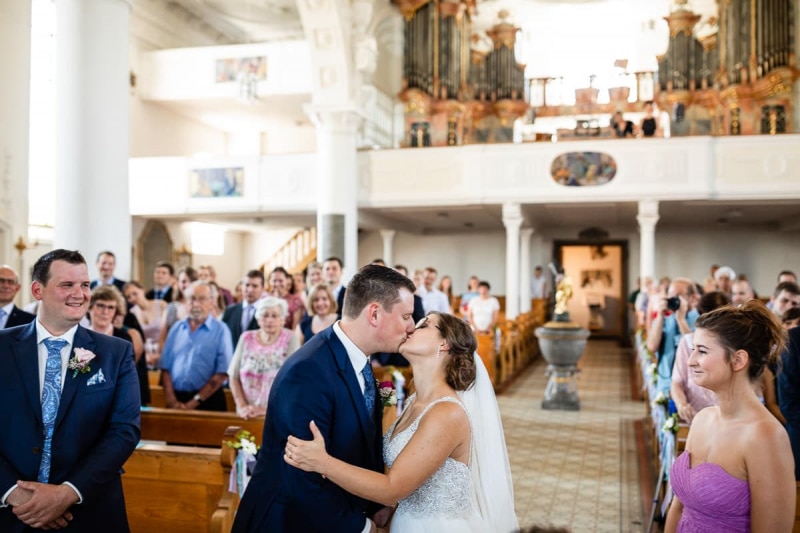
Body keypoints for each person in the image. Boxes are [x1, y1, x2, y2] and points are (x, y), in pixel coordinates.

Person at [284, 312, 518, 532]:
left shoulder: (448, 413)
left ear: (444, 344)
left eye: (424, 325)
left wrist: (322, 463)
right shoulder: (414, 400)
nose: (410, 328)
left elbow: (392, 488)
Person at [232, 265, 417, 532]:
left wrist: (375, 506)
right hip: (288, 523)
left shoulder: (357, 357)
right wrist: (362, 527)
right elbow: (300, 477)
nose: (411, 327)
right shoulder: (308, 371)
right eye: (407, 316)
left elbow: (360, 446)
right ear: (374, 313)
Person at [0, 249, 140, 531]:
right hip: (11, 514)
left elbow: (124, 430)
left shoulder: (116, 353)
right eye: (67, 285)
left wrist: (67, 493)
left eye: (85, 285)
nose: (80, 294)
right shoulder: (2, 347)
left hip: (88, 511)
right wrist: (14, 495)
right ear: (38, 290)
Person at [665, 301, 794, 532]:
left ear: (738, 360)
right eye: (693, 349)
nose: (690, 360)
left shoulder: (766, 436)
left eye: (702, 351)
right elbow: (678, 507)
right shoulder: (703, 419)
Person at [160, 281, 233, 412]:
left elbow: (222, 373)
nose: (196, 304)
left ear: (211, 302)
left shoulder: (221, 330)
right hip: (176, 401)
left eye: (202, 299)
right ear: (185, 301)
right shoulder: (177, 328)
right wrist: (171, 400)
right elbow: (165, 368)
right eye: (192, 299)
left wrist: (193, 403)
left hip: (208, 401)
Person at [229, 297, 300, 419]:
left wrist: (265, 410)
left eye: (274, 316)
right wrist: (242, 406)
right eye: (265, 315)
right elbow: (233, 375)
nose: (269, 320)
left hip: (278, 413)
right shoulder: (246, 338)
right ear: (258, 318)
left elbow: (294, 380)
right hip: (246, 414)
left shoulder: (290, 338)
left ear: (283, 319)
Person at [670, 291, 730, 423]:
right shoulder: (687, 342)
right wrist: (682, 404)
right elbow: (676, 382)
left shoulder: (731, 346)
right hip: (696, 414)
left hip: (725, 416)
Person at [221, 269, 266, 345]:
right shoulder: (230, 311)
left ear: (262, 289)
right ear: (242, 287)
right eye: (247, 285)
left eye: (255, 286)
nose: (250, 290)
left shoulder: (267, 313)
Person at [123, 280, 166, 349]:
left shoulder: (161, 305)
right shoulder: (131, 313)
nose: (132, 298)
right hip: (146, 353)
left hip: (165, 347)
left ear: (143, 290)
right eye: (128, 297)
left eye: (135, 293)